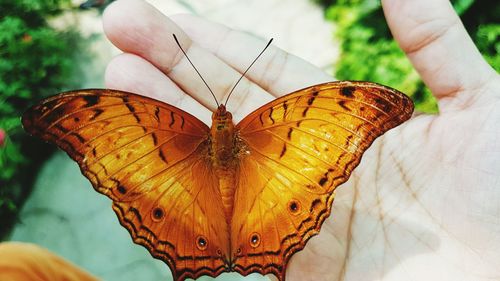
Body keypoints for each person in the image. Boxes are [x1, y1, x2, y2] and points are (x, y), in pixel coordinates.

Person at [2, 0, 499, 280]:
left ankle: (213, 246)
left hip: (180, 197)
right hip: (246, 192)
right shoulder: (284, 120)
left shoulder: (156, 122)